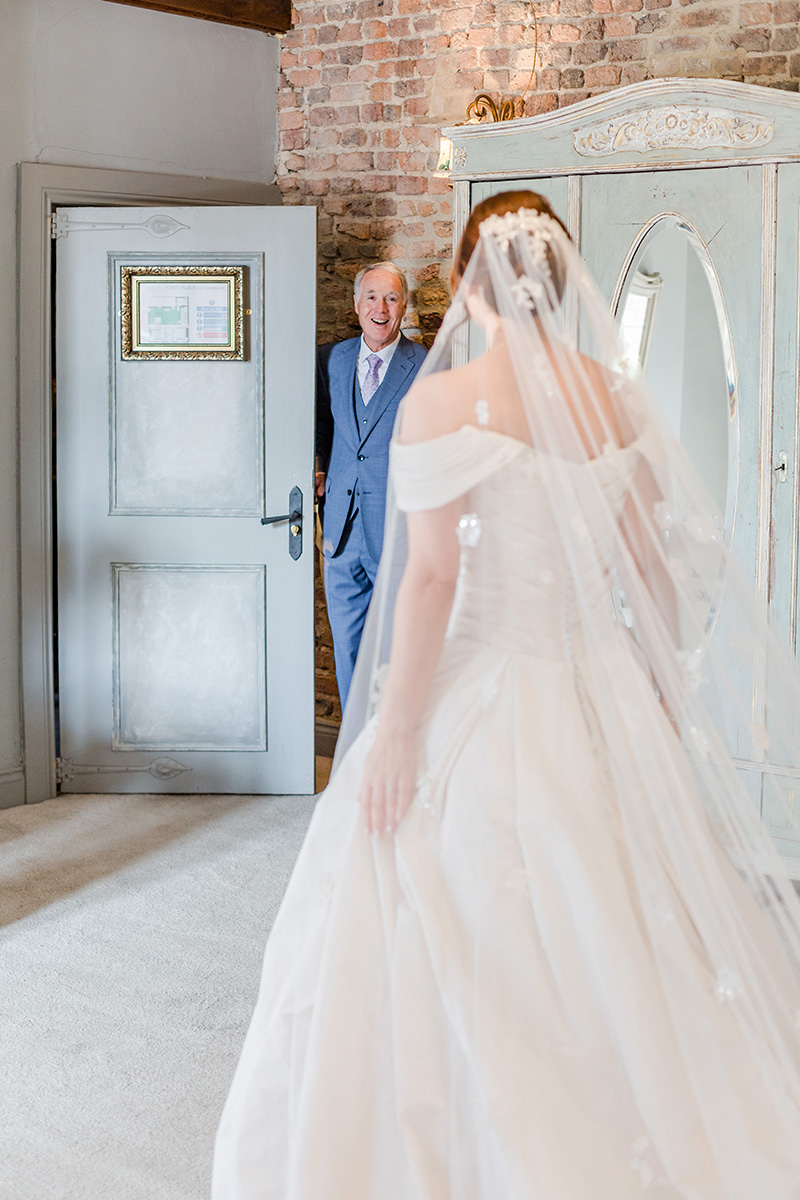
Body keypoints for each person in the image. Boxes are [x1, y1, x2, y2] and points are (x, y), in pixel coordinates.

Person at [213, 192, 800, 1199]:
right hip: (598, 684)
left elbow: (432, 583)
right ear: (559, 285)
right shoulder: (614, 401)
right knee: (620, 918)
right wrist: (657, 695)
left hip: (485, 683)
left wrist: (396, 732)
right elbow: (650, 572)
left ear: (468, 283)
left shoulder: (441, 403)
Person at [315, 262, 427, 706]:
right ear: (356, 304)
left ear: (404, 306)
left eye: (392, 298)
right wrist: (320, 467)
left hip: (398, 533)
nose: (381, 308)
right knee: (348, 652)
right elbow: (324, 422)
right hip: (340, 536)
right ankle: (353, 761)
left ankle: (391, 752)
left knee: (398, 653)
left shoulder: (426, 364)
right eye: (372, 297)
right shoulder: (335, 358)